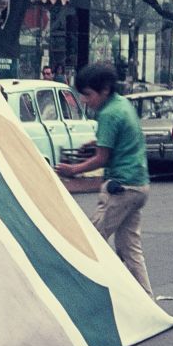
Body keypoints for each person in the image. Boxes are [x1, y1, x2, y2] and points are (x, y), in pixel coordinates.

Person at [56, 62, 153, 297]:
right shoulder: (122, 105)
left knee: (91, 242)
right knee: (130, 248)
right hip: (139, 186)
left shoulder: (109, 114)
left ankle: (81, 296)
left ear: (105, 90)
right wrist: (95, 143)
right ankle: (145, 300)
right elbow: (117, 141)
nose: (85, 100)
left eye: (88, 94)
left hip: (121, 187)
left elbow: (102, 158)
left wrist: (73, 169)